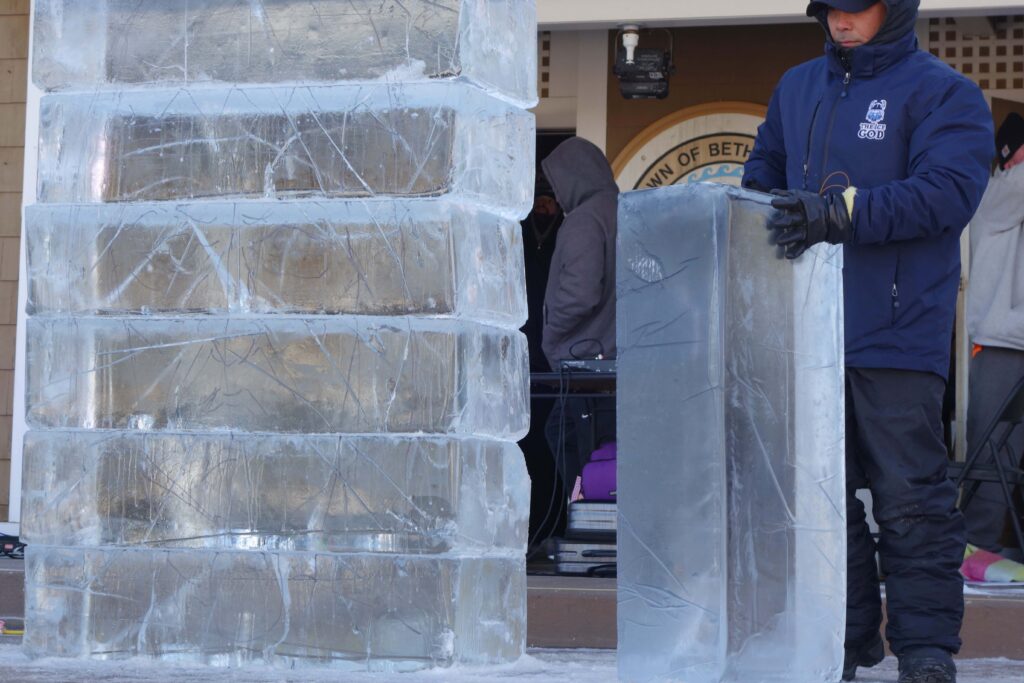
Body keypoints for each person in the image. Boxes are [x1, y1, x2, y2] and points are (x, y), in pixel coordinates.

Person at [742, 2, 993, 682]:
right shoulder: (797, 87)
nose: (841, 21)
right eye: (832, 9)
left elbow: (947, 193)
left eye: (859, 7)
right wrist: (763, 214)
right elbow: (759, 177)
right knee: (816, 501)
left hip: (896, 330)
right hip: (805, 332)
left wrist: (840, 212)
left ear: (898, 8)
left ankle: (925, 649)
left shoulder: (944, 92)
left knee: (910, 498)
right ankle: (845, 640)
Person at [540, 137, 618, 501]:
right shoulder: (622, 210)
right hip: (617, 364)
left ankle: (583, 526)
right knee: (606, 454)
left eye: (556, 182)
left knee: (567, 438)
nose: (555, 194)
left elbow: (580, 292)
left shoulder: (585, 220)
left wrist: (551, 336)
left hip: (585, 363)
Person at [962, 112, 1024, 559]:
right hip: (1003, 344)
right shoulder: (999, 190)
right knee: (992, 455)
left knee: (1005, 458)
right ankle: (975, 549)